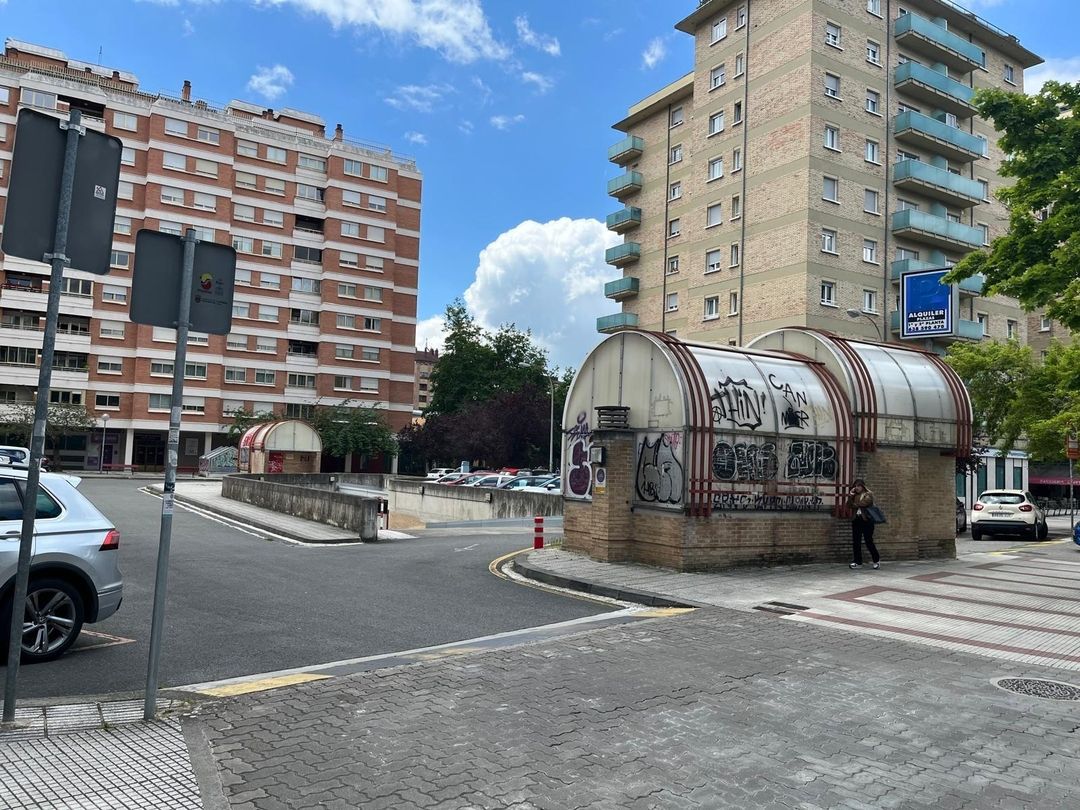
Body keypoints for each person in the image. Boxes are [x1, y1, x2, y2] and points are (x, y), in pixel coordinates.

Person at [847, 478, 880, 570]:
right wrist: (850, 496)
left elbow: (863, 503)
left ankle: (876, 560)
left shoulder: (868, 494)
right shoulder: (854, 495)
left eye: (858, 486)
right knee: (856, 542)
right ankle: (858, 562)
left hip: (866, 521)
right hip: (856, 520)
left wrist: (854, 501)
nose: (857, 488)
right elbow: (848, 505)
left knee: (868, 541)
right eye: (855, 486)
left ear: (863, 486)